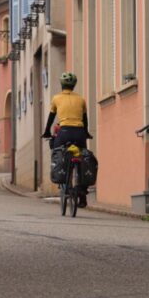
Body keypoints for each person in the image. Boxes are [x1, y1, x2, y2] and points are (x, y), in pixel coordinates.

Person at [42, 72, 91, 206]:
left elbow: (51, 118)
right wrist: (86, 132)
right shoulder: (81, 99)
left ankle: (62, 175)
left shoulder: (56, 98)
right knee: (83, 158)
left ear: (61, 85)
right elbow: (85, 119)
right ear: (74, 85)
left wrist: (46, 132)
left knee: (57, 151)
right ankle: (82, 192)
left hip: (64, 132)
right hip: (80, 132)